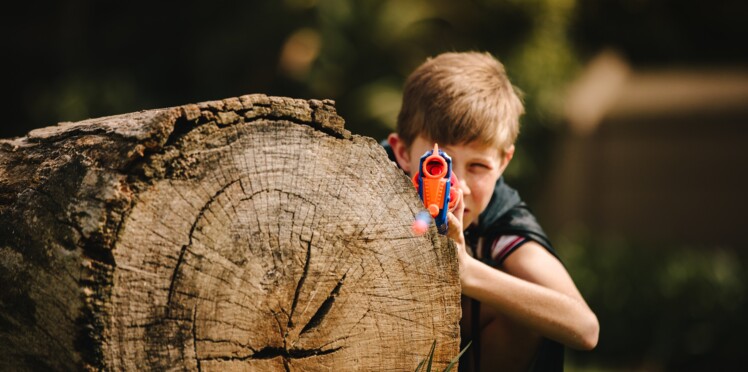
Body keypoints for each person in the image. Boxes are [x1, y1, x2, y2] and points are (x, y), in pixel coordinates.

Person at [382, 51, 599, 371]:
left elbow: (585, 327)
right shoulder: (370, 182)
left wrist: (467, 271)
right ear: (401, 152)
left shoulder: (503, 225)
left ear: (503, 163)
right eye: (439, 165)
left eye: (479, 166)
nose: (461, 186)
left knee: (521, 313)